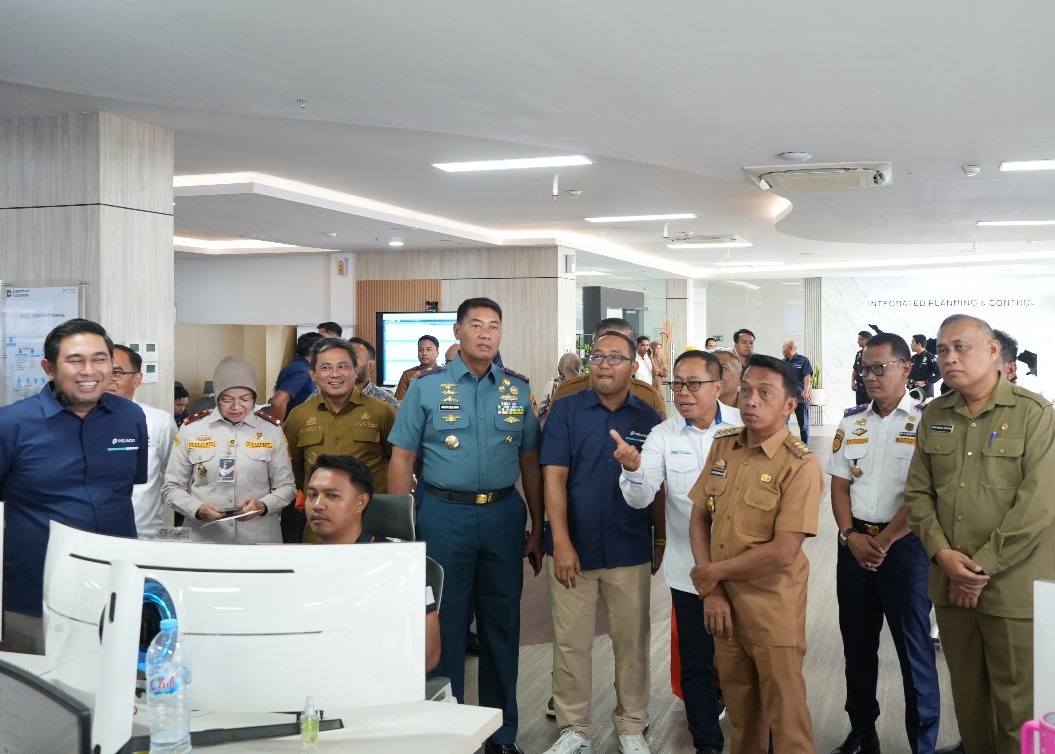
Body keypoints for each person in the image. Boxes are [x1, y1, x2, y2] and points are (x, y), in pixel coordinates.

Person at [388, 297, 544, 754]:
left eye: (494, 326)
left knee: (502, 627)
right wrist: (403, 532)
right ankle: (447, 731)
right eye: (475, 325)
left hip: (502, 515)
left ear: (501, 335)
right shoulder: (426, 387)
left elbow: (530, 460)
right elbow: (402, 457)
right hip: (443, 514)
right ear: (458, 332)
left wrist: (537, 526)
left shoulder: (517, 389)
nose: (485, 334)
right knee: (445, 627)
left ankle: (501, 734)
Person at [905, 314, 1055, 754]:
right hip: (950, 586)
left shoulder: (1035, 415)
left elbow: (1038, 505)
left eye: (961, 347)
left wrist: (980, 567)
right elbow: (917, 495)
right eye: (941, 350)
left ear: (993, 351)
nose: (949, 358)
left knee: (1017, 710)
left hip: (1012, 589)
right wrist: (944, 557)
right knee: (970, 707)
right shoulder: (934, 414)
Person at [687, 354, 822, 754]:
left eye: (764, 393)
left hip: (771, 609)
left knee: (788, 721)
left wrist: (712, 574)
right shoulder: (724, 446)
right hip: (724, 608)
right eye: (745, 390)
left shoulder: (800, 465)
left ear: (789, 405)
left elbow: (783, 552)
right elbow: (698, 518)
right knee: (743, 721)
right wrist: (712, 591)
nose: (750, 401)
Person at [540, 332, 662, 754]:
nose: (605, 365)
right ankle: (575, 728)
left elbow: (658, 487)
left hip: (629, 546)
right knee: (571, 641)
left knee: (632, 640)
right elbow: (553, 478)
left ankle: (631, 724)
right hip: (574, 547)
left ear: (633, 366)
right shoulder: (567, 411)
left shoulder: (649, 418)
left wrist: (659, 538)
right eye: (598, 357)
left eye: (615, 358)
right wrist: (562, 541)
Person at [618, 349, 741, 754]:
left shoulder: (745, 426)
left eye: (693, 384)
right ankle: (706, 743)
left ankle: (757, 739)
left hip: (745, 572)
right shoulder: (664, 435)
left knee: (748, 664)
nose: (683, 393)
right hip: (690, 574)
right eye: (677, 385)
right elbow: (640, 499)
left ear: (718, 386)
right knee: (697, 665)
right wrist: (634, 470)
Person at [0, 319, 148, 654]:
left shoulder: (130, 417)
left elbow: (127, 487)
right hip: (34, 596)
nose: (89, 370)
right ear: (48, 368)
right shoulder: (11, 424)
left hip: (114, 591)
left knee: (111, 696)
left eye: (100, 359)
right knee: (34, 701)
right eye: (75, 360)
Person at [827, 333, 939, 754]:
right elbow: (839, 486)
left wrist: (887, 539)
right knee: (857, 646)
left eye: (879, 368)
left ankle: (922, 743)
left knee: (914, 653)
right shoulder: (851, 420)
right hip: (854, 544)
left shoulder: (926, 420)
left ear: (905, 369)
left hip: (906, 549)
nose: (870, 377)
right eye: (864, 369)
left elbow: (926, 493)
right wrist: (849, 535)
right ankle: (862, 732)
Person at [305, 453, 440, 672]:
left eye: (331, 496)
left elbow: (427, 655)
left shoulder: (400, 565)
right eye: (312, 495)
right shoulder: (300, 565)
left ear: (361, 502)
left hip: (376, 683)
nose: (318, 505)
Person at [163, 356, 296, 544]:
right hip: (205, 539)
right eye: (227, 400)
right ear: (216, 398)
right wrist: (197, 508)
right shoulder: (191, 429)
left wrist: (262, 505)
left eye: (245, 399)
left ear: (254, 398)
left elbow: (287, 488)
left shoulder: (271, 430)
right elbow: (171, 487)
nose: (236, 407)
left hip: (258, 539)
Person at [285, 337, 396, 543]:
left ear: (356, 370)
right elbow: (296, 469)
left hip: (370, 526)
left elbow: (398, 462)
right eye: (326, 367)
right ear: (313, 375)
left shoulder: (383, 411)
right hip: (320, 529)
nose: (335, 374)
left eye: (343, 366)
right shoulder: (298, 416)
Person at [109, 344, 177, 538]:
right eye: (102, 372)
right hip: (92, 537)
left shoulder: (159, 422)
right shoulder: (80, 421)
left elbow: (171, 477)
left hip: (144, 536)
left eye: (116, 372)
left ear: (137, 379)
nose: (107, 380)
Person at [552, 319, 667, 419]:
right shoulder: (566, 393)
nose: (606, 364)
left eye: (617, 353)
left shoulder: (648, 397)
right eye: (602, 349)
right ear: (593, 349)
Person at [269, 331, 322, 421]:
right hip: (294, 428)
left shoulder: (298, 365)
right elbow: (278, 402)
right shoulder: (302, 371)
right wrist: (278, 431)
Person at [348, 336, 400, 409]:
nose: (346, 362)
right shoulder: (330, 397)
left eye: (354, 356)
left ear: (370, 365)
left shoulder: (387, 402)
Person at [782, 339, 813, 444]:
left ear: (790, 349)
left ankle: (806, 448)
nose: (782, 349)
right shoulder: (782, 362)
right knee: (783, 424)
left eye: (784, 347)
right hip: (786, 399)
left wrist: (805, 391)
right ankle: (785, 446)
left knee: (803, 426)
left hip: (801, 398)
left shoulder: (803, 360)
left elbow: (807, 377)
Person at [394, 334, 440, 400]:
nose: (424, 353)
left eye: (428, 349)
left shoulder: (443, 374)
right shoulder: (408, 374)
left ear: (437, 353)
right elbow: (399, 402)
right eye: (420, 350)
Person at [538, 352, 583, 418]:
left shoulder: (553, 384)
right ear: (577, 366)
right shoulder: (586, 385)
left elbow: (539, 409)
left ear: (561, 366)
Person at [908, 334, 941, 400]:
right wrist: (907, 379)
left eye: (912, 342)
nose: (910, 345)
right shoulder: (913, 358)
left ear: (918, 345)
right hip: (913, 393)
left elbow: (940, 374)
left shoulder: (930, 357)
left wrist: (925, 382)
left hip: (926, 395)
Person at [851, 330, 872, 406]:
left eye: (860, 339)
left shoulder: (874, 353)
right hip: (859, 389)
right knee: (859, 411)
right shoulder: (859, 354)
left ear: (867, 340)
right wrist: (852, 382)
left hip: (869, 388)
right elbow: (855, 369)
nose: (858, 341)